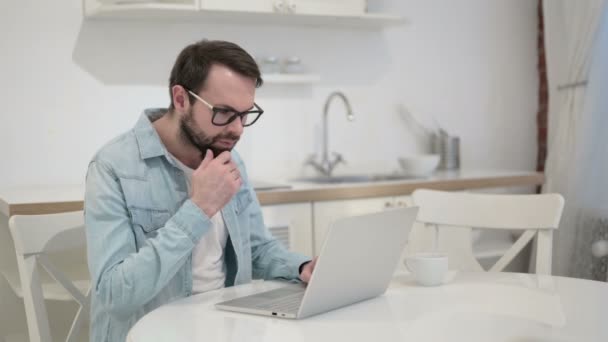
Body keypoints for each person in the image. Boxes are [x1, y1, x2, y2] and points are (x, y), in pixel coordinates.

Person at [84, 39, 316, 342]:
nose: (237, 129)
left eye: (245, 115)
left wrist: (302, 267)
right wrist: (199, 209)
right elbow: (115, 294)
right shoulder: (113, 167)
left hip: (225, 327)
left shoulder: (229, 157)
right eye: (223, 112)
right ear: (181, 99)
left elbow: (256, 249)